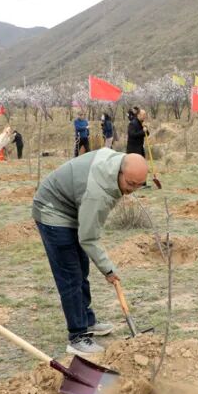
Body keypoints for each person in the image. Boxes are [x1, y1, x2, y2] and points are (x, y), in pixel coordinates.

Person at [33, 149, 148, 356]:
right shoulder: (99, 192)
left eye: (138, 186)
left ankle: (86, 321)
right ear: (121, 172)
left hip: (71, 207)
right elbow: (88, 237)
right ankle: (77, 337)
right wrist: (108, 269)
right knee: (71, 276)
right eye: (130, 184)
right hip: (52, 210)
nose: (132, 190)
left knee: (81, 269)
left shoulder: (116, 164)